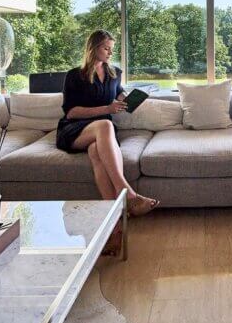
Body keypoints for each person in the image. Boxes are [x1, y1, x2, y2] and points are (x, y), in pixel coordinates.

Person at [56, 29, 159, 217]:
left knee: (96, 150)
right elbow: (71, 112)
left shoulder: (114, 73)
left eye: (112, 49)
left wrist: (129, 100)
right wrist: (106, 110)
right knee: (105, 124)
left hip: (103, 135)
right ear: (93, 48)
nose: (111, 53)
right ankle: (126, 192)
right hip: (75, 129)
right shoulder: (74, 75)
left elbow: (118, 93)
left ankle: (114, 214)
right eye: (106, 48)